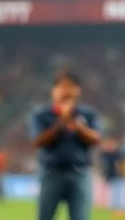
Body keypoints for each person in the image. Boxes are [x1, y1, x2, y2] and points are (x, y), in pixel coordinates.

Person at [28, 71, 101, 220]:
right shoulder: (41, 114)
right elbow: (37, 141)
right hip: (50, 173)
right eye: (61, 86)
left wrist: (79, 127)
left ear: (78, 90)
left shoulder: (88, 114)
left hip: (80, 173)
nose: (66, 91)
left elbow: (96, 139)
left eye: (70, 86)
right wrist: (61, 123)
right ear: (53, 91)